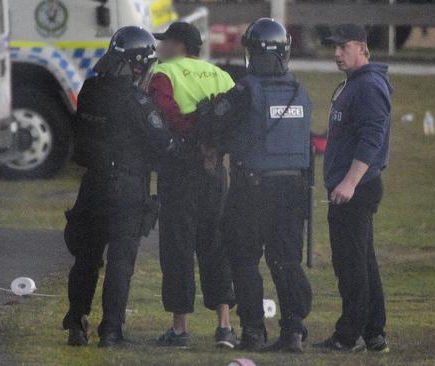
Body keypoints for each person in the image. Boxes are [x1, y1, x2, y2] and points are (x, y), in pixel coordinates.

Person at [197, 18, 313, 353]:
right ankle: (293, 331)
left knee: (244, 259)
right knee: (286, 260)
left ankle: (253, 331)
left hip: (252, 188)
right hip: (294, 189)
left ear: (251, 52)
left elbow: (213, 121)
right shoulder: (300, 91)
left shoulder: (245, 91)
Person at [62, 26, 175, 348]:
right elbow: (163, 142)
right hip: (126, 187)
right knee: (120, 262)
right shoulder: (137, 101)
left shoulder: (89, 90)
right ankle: (111, 331)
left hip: (92, 184)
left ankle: (77, 321)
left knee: (86, 258)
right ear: (139, 65)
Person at [147, 21, 238, 348]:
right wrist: (213, 148)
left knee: (178, 246)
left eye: (164, 42)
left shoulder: (165, 74)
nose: (159, 49)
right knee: (215, 242)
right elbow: (236, 116)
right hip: (215, 171)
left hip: (179, 168)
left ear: (178, 46)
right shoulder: (221, 75)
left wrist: (191, 139)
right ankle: (225, 325)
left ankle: (181, 329)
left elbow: (163, 112)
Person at [312, 24, 392, 353]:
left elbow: (372, 138)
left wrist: (349, 181)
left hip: (355, 189)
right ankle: (374, 333)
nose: (336, 54)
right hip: (354, 187)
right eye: (334, 48)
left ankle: (349, 335)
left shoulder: (368, 86)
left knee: (350, 265)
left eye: (343, 47)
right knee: (363, 261)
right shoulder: (355, 84)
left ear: (362, 48)